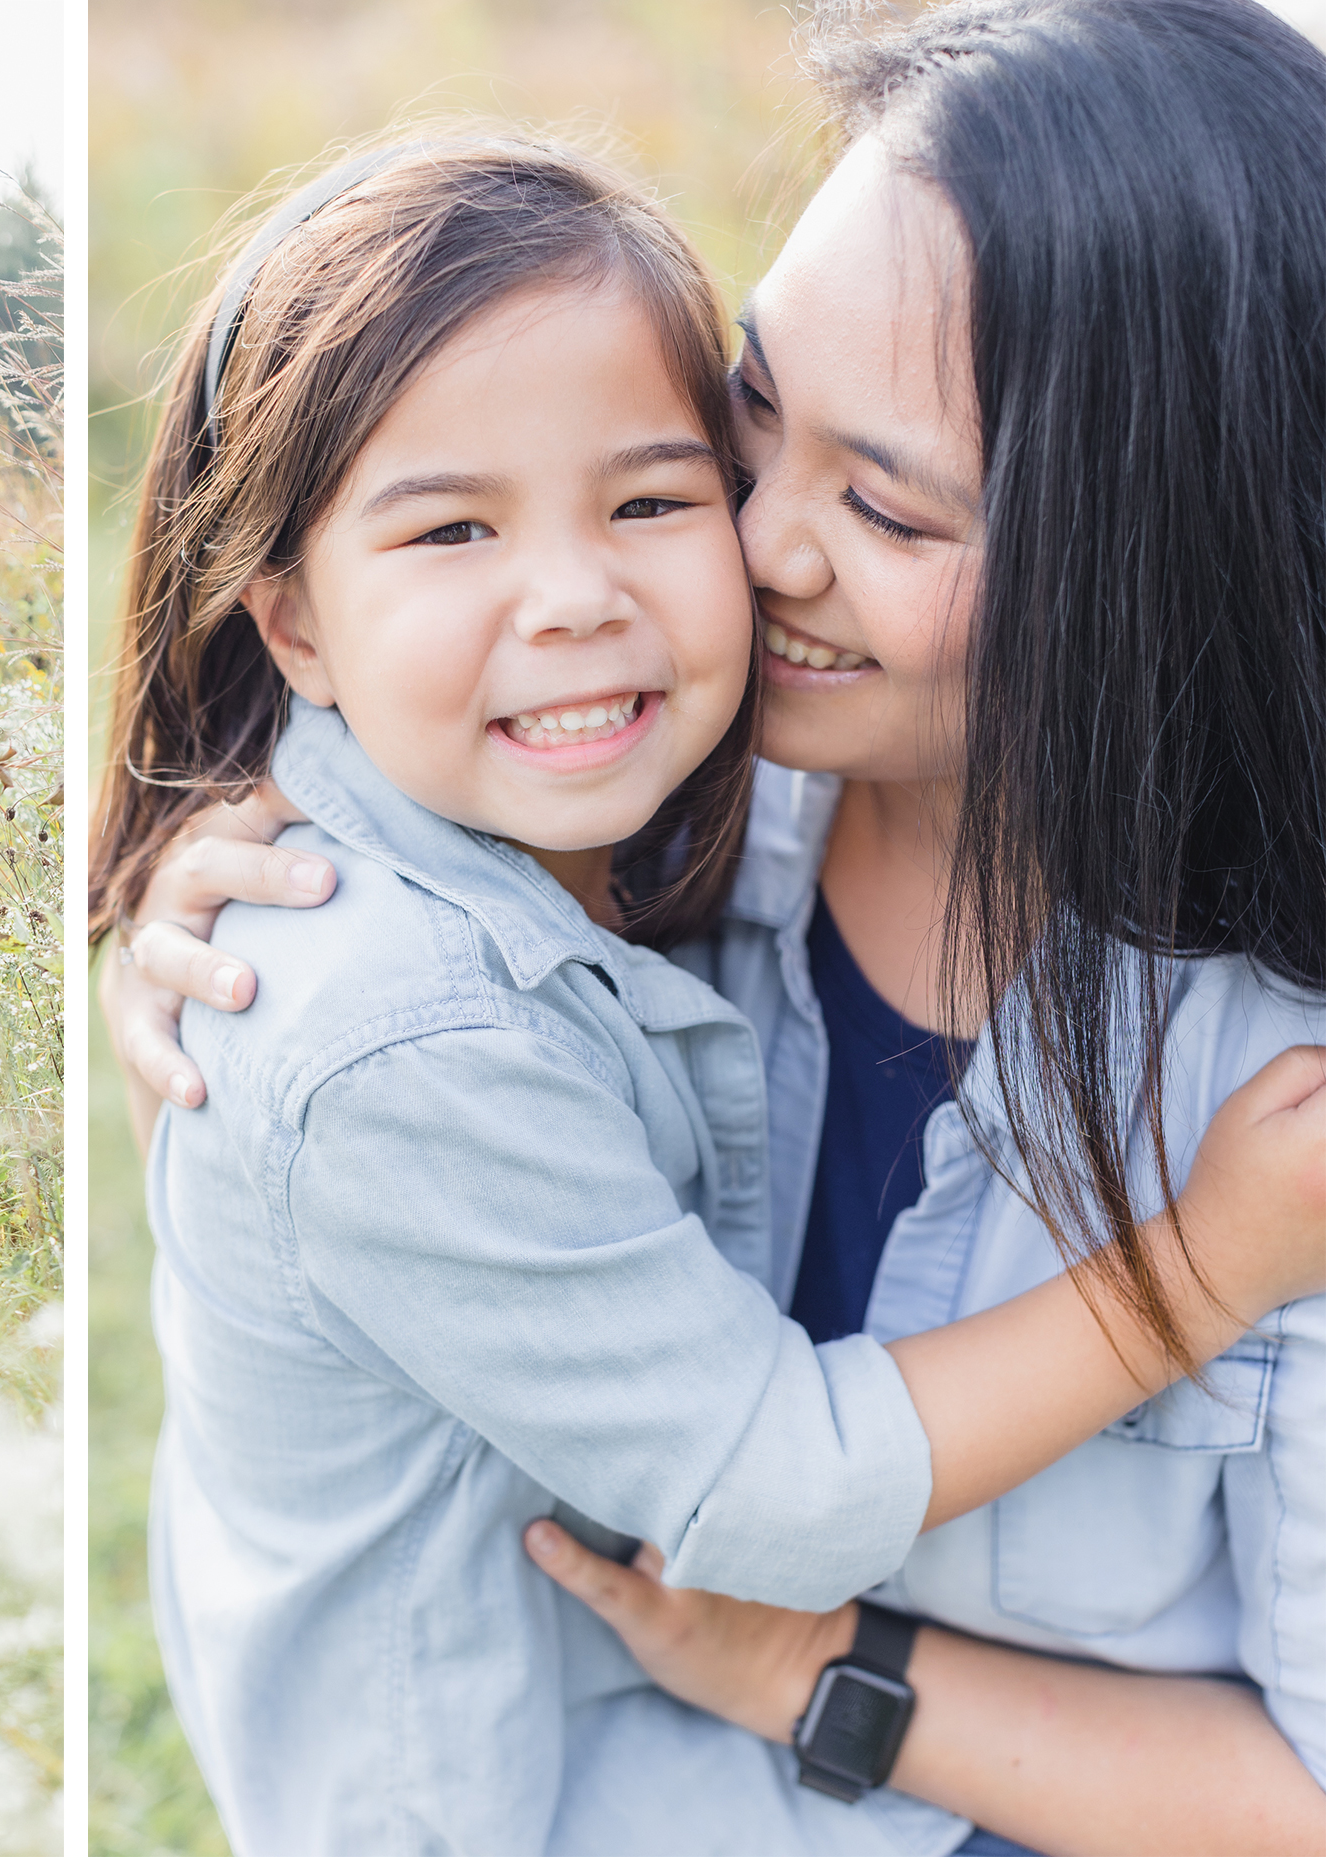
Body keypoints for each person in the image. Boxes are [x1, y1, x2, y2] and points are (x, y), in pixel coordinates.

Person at [98, 3, 1326, 1849]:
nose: (744, 551)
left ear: (1153, 560)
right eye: (751, 419)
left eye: (888, 506)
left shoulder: (1276, 1092)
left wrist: (808, 1675)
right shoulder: (613, 798)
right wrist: (186, 957)